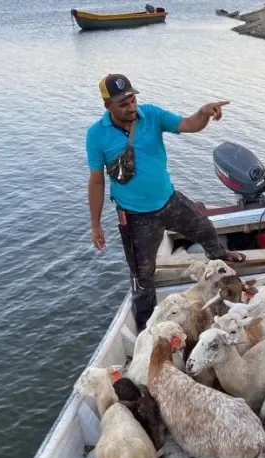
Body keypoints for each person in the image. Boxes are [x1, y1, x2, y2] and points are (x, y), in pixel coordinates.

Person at [85, 73, 246, 331]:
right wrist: (95, 225)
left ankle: (220, 258)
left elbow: (188, 124)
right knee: (142, 276)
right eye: (123, 103)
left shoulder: (151, 115)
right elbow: (96, 182)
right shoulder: (96, 135)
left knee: (204, 228)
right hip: (136, 217)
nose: (131, 107)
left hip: (169, 201)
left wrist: (203, 113)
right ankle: (146, 331)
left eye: (132, 99)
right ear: (108, 106)